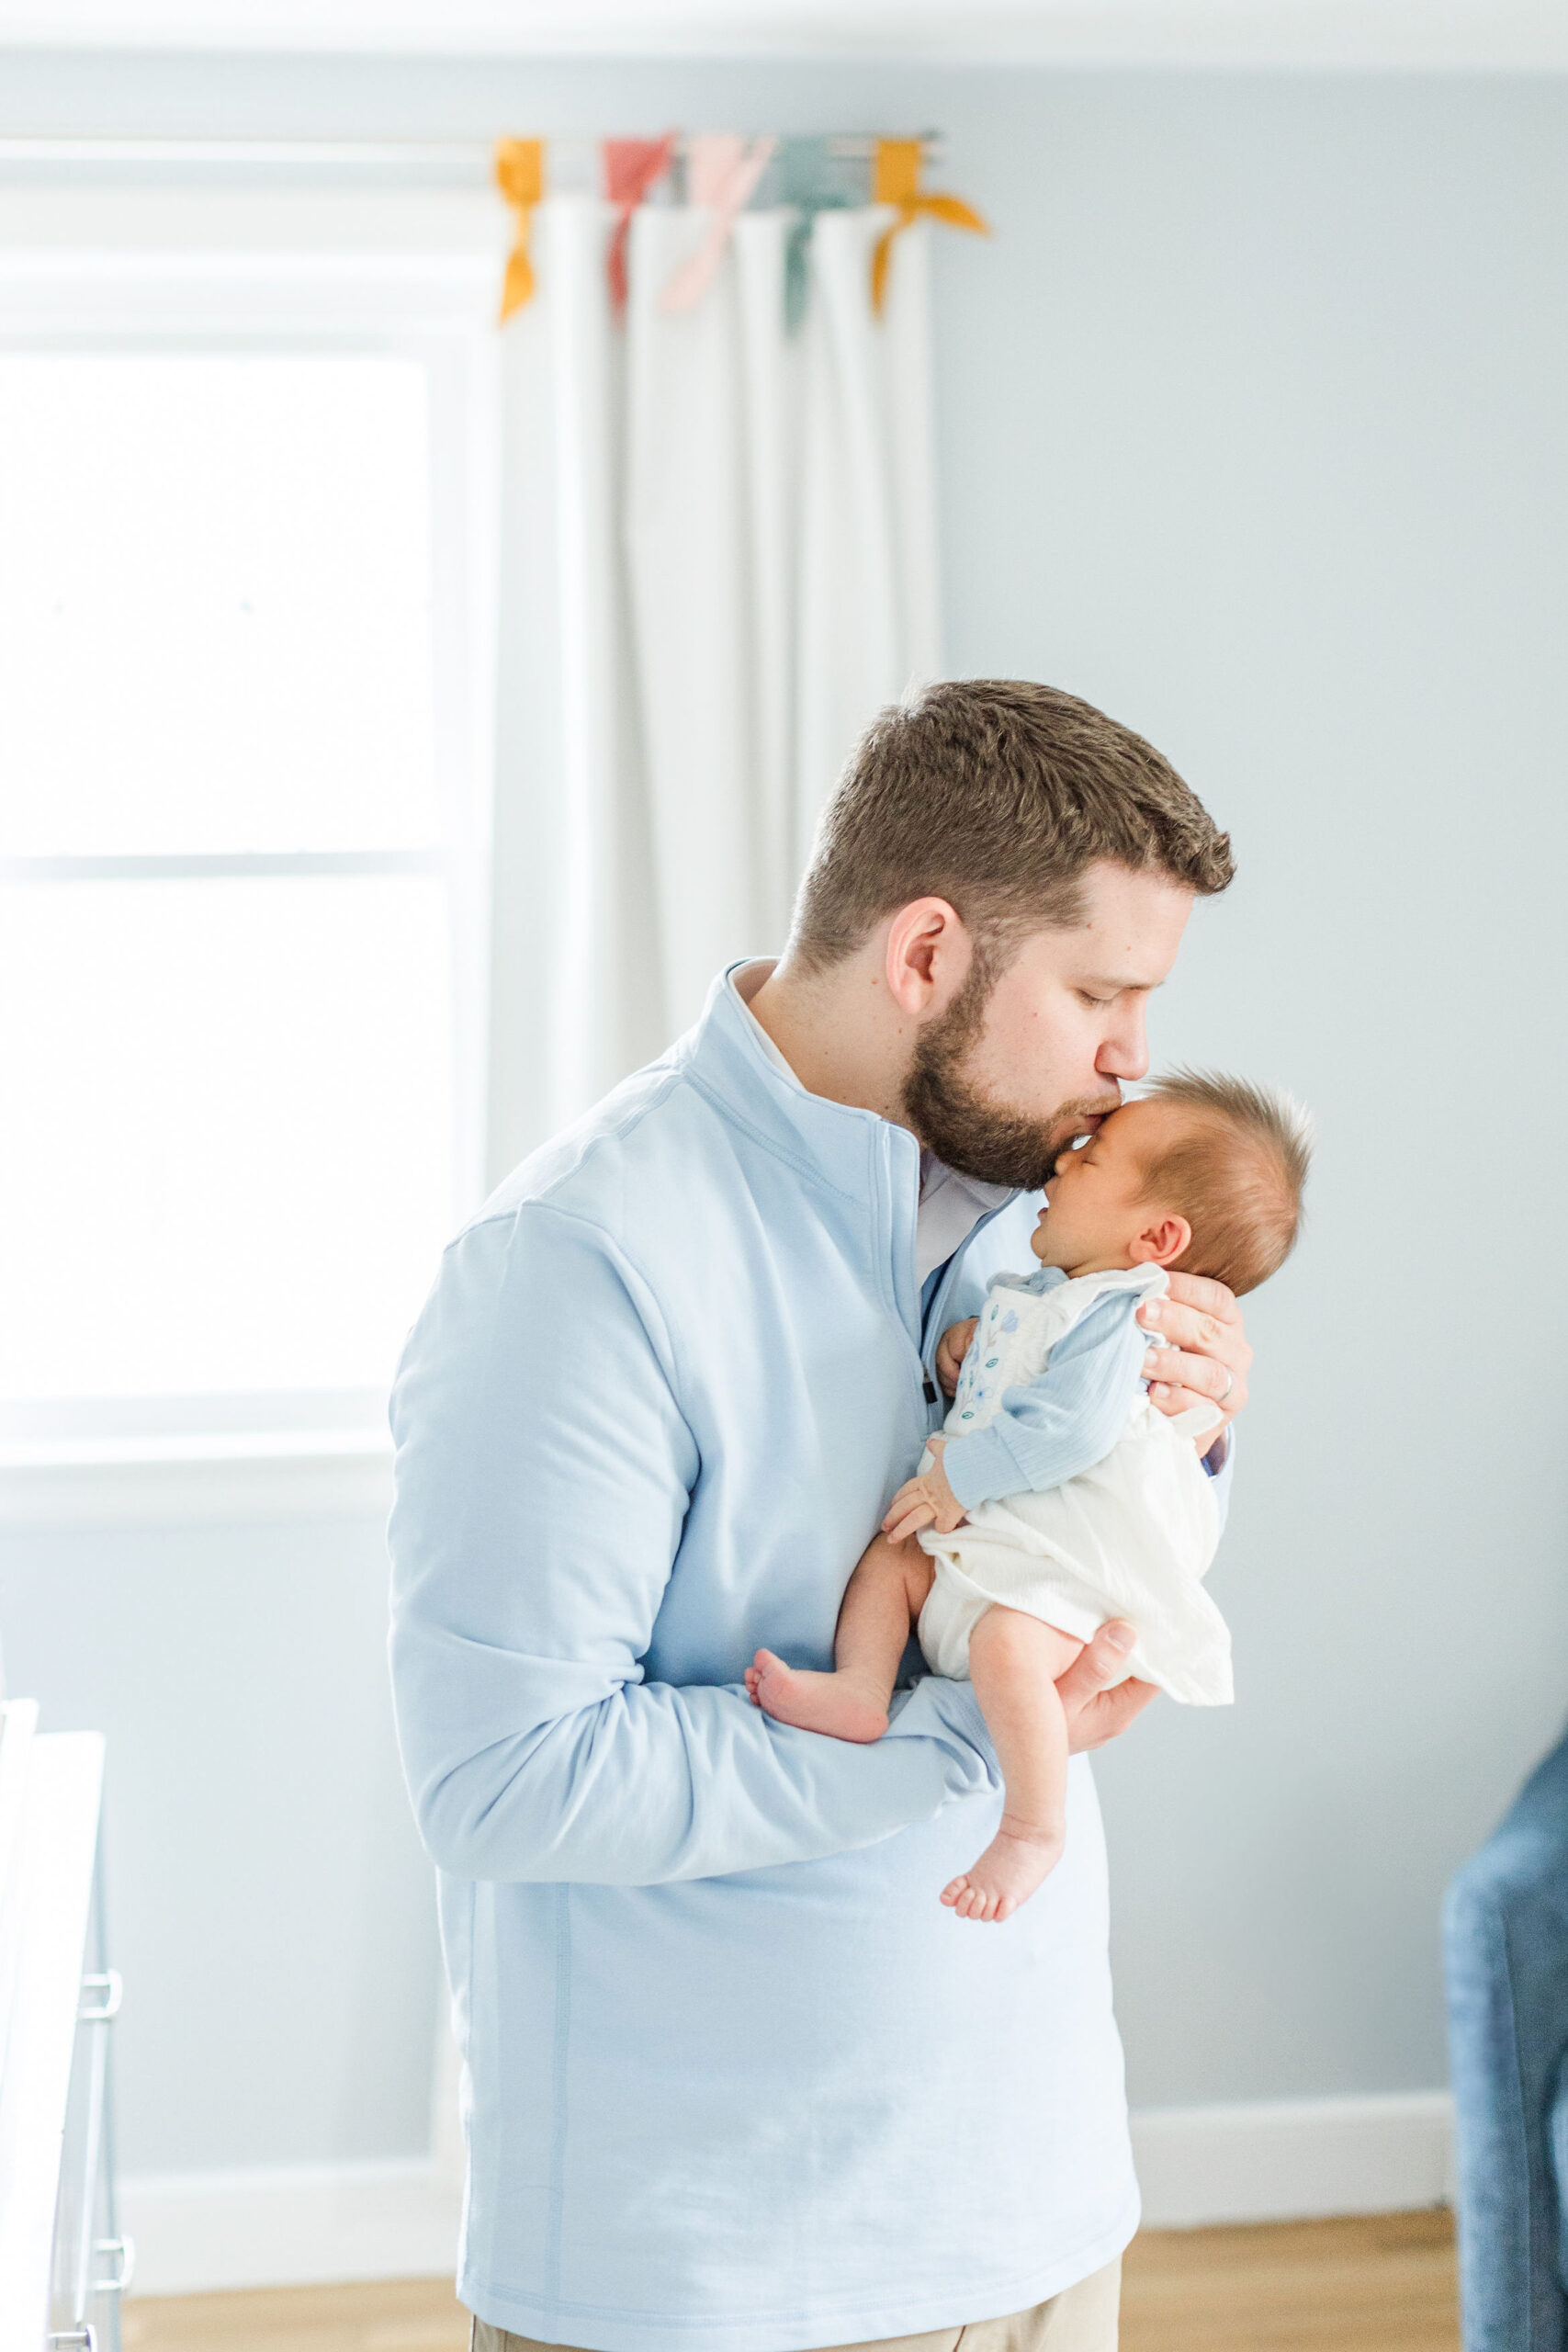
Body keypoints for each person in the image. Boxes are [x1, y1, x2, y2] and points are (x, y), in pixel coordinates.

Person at [388, 681, 1253, 2352]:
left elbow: (1062, 1556)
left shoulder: (1044, 1215)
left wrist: (1188, 1443)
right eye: (1097, 993)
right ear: (926, 953)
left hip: (1046, 2216)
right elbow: (506, 1785)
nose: (1132, 1060)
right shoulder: (576, 1265)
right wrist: (979, 1749)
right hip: (715, 2283)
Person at [749, 1074, 1312, 1924]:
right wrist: (959, 1356)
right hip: (991, 1539)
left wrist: (955, 1483)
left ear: (1156, 1237)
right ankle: (861, 1688)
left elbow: (1075, 1431)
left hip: (1057, 1563)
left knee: (1009, 1646)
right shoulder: (1055, 1295)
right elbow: (1013, 1379)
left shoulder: (1125, 1317)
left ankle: (1030, 1827)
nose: (1060, 1166)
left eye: (1093, 1158)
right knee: (892, 1555)